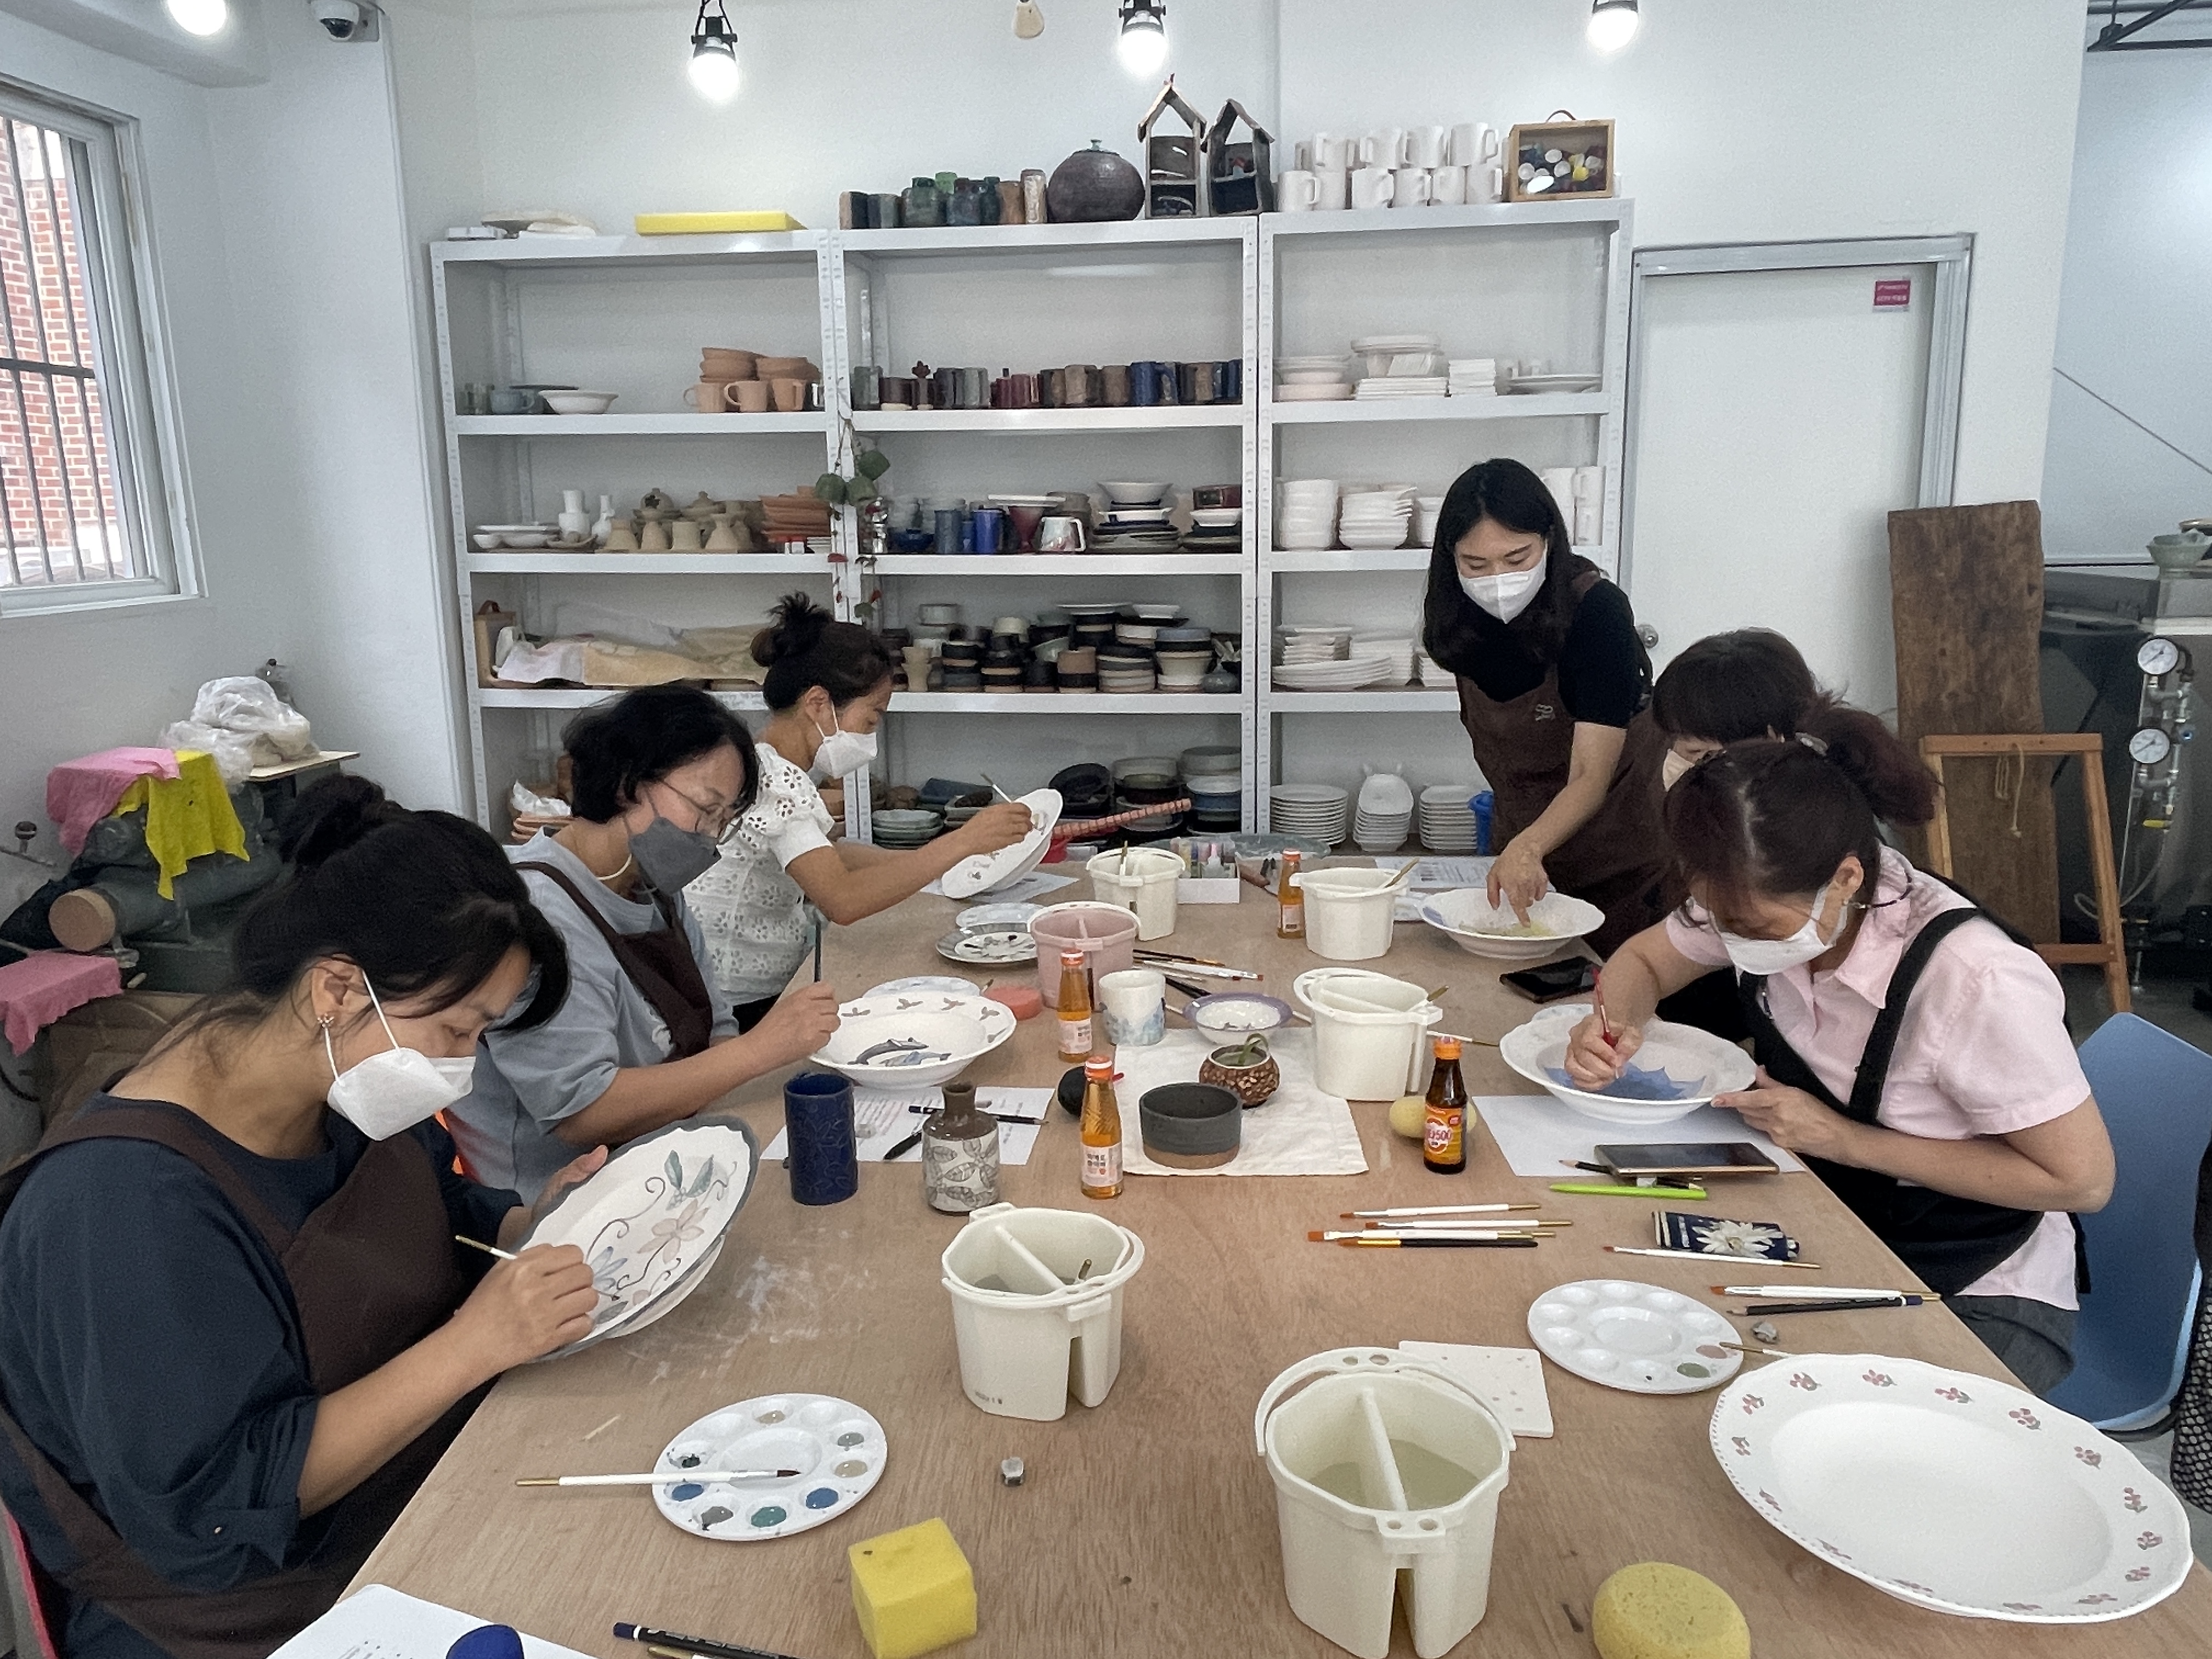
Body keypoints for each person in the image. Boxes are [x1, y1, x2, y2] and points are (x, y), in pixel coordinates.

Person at [0, 778, 603, 1659]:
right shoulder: (121, 1210)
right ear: (337, 991)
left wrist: (530, 1225)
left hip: (418, 1498)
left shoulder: (343, 1093)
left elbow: (434, 1215)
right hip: (259, 1613)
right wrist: (474, 1345)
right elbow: (210, 1515)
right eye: (457, 1031)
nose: (465, 1065)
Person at [1562, 727, 2115, 1395]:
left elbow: (2081, 1181)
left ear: (1848, 878)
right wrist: (1616, 1024)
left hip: (1974, 1285)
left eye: (1754, 929)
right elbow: (1645, 961)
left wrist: (1844, 1140)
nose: (1730, 940)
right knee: (1629, 1316)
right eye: (1717, 919)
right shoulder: (1750, 895)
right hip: (1833, 1221)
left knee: (1799, 1414)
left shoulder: (1975, 978)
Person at [448, 684, 839, 1201]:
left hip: (670, 1156)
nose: (709, 837)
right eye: (705, 808)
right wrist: (759, 1050)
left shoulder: (650, 886)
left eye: (724, 821)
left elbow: (717, 1028)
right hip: (566, 1200)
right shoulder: (537, 913)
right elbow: (583, 1112)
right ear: (627, 782)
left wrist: (750, 1058)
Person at [688, 594, 1036, 1029]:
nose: (871, 738)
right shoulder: (778, 781)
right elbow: (843, 900)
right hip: (736, 1002)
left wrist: (944, 869)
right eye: (871, 720)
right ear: (818, 704)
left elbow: (826, 858)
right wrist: (962, 842)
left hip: (730, 984)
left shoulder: (764, 761)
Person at [1420, 458, 1668, 953]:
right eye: (1476, 565)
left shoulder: (1597, 613)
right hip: (1528, 853)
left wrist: (1530, 844)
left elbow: (1589, 775)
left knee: (1611, 985)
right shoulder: (1462, 617)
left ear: (1550, 541)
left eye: (1517, 558)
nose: (1497, 579)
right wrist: (1523, 847)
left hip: (1624, 858)